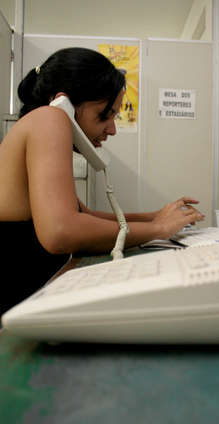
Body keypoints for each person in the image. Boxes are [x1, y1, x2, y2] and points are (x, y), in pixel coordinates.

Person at [0, 47, 204, 315]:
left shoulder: (35, 124)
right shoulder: (49, 119)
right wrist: (157, 230)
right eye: (104, 115)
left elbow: (83, 216)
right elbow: (61, 230)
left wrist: (156, 217)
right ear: (64, 103)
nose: (112, 129)